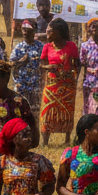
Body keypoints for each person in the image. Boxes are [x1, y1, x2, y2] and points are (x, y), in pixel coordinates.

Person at [39, 18, 79, 148]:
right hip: (51, 84)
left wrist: (74, 76)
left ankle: (67, 139)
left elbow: (77, 64)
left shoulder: (71, 46)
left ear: (58, 32)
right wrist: (48, 67)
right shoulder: (47, 47)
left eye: (50, 31)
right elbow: (41, 64)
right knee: (48, 112)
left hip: (67, 85)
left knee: (67, 111)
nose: (48, 34)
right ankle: (45, 141)